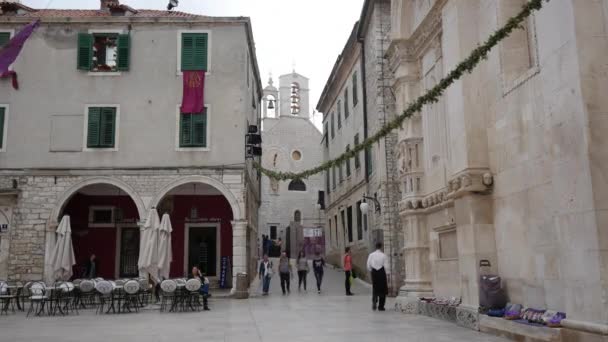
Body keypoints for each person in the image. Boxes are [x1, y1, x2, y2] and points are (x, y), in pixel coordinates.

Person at [367, 242, 389, 311]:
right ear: (381, 247)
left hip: (374, 272)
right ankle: (381, 306)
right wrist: (387, 274)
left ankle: (374, 301)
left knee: (375, 287)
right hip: (381, 272)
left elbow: (368, 264)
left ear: (375, 247)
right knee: (382, 288)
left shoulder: (371, 255)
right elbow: (386, 266)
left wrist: (371, 270)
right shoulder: (384, 255)